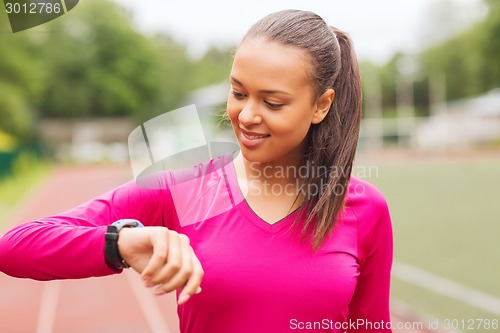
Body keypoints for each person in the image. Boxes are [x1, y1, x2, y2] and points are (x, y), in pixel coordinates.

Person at [0, 9, 393, 333]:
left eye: (272, 102)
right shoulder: (188, 190)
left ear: (321, 105)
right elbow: (14, 247)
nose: (247, 115)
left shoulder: (364, 209)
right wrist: (120, 242)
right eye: (238, 93)